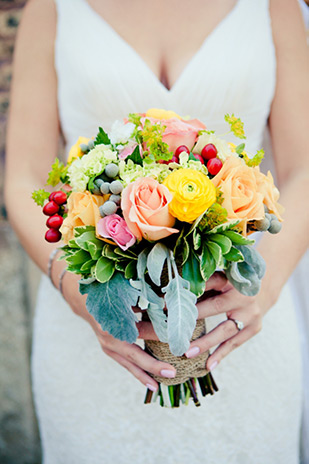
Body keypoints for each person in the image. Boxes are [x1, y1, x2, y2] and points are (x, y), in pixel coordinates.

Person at [4, 0, 309, 462]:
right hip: (95, 326)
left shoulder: (276, 6)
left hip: (241, 318)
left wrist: (260, 292)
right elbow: (23, 177)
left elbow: (304, 168)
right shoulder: (52, 8)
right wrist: (78, 296)